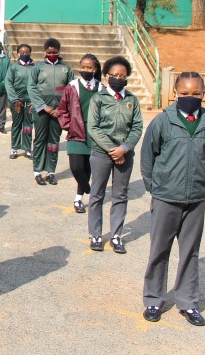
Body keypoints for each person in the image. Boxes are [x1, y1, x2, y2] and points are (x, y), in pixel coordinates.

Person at [140, 72, 205, 327]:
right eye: (185, 94)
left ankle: (188, 302)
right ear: (175, 93)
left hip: (195, 199)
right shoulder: (163, 122)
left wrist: (201, 182)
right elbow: (148, 156)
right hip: (166, 197)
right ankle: (154, 299)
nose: (190, 98)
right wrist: (155, 187)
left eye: (196, 94)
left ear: (203, 94)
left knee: (190, 252)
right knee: (159, 249)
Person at [87, 56, 144, 253]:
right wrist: (113, 150)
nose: (119, 78)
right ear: (106, 75)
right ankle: (95, 234)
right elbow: (93, 127)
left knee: (120, 194)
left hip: (125, 154)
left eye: (123, 75)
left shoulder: (131, 100)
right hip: (102, 153)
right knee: (97, 194)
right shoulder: (98, 99)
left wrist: (125, 148)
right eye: (115, 75)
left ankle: (116, 235)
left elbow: (137, 127)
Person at [57, 54, 102, 213]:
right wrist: (68, 126)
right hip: (76, 131)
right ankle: (89, 190)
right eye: (82, 67)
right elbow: (62, 109)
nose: (85, 70)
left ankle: (78, 199)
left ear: (95, 69)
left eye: (88, 67)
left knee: (87, 167)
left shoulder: (101, 88)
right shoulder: (72, 86)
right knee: (76, 167)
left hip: (95, 133)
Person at [28, 38, 74, 186]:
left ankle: (51, 171)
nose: (52, 54)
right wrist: (44, 107)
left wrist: (61, 109)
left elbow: (70, 90)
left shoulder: (66, 69)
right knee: (40, 139)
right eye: (49, 52)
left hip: (58, 112)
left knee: (54, 141)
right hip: (41, 110)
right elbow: (32, 88)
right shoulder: (38, 67)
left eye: (54, 52)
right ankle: (38, 171)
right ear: (45, 51)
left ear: (59, 52)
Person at [5, 44, 35, 159]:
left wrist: (34, 100)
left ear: (30, 53)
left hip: (30, 101)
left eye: (26, 53)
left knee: (28, 125)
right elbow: (8, 83)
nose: (24, 55)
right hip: (16, 101)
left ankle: (27, 148)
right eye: (22, 53)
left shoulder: (35, 67)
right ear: (18, 54)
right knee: (17, 124)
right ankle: (14, 148)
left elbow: (38, 84)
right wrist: (15, 100)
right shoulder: (13, 67)